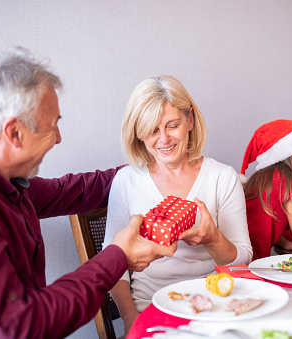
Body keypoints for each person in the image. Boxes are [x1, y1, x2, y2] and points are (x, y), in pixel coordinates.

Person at [0, 47, 176, 338]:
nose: (59, 138)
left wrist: (151, 170)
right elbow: (16, 326)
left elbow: (72, 190)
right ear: (14, 133)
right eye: (52, 126)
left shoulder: (6, 180)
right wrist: (117, 256)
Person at [102, 75, 253, 334]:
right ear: (138, 133)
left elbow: (242, 261)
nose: (164, 140)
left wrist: (213, 238)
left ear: (190, 120)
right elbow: (112, 263)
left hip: (215, 306)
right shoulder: (126, 181)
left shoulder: (222, 177)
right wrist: (129, 317)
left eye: (173, 125)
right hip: (150, 308)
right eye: (152, 130)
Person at [241, 119, 292, 260]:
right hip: (251, 257)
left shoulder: (267, 176)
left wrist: (284, 242)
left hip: (240, 250)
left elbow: (263, 219)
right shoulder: (289, 179)